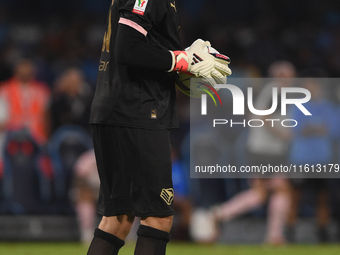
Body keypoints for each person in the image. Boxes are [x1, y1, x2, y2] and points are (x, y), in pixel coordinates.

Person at [87, 1, 231, 255]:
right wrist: (180, 60)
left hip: (116, 110)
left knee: (116, 220)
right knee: (158, 218)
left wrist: (180, 66)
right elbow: (128, 49)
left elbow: (142, 50)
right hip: (137, 113)